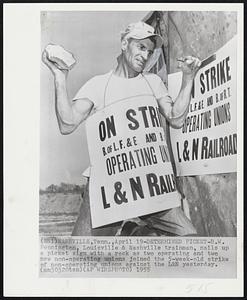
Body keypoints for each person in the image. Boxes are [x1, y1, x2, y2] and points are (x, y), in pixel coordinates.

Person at [42, 21, 201, 236]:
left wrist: (188, 79)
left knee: (190, 239)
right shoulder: (98, 85)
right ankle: (130, 230)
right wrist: (60, 77)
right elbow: (67, 124)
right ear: (125, 43)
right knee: (83, 255)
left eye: (150, 51)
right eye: (141, 47)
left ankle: (133, 231)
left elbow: (176, 118)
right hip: (109, 186)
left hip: (150, 183)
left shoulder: (153, 82)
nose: (145, 56)